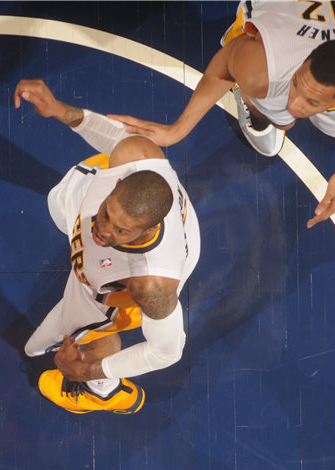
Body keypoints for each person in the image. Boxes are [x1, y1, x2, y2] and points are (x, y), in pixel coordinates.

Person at [14, 79, 201, 415]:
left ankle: (103, 390)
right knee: (63, 201)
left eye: (120, 230)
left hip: (125, 289)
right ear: (118, 181)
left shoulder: (151, 285)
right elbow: (117, 137)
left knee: (72, 334)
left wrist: (86, 370)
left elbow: (167, 352)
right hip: (137, 236)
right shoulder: (137, 157)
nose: (102, 231)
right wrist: (59, 110)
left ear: (148, 230)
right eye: (105, 215)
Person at [109, 1, 335, 229]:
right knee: (273, 102)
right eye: (296, 84)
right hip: (274, 37)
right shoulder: (268, 68)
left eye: (311, 101)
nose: (294, 102)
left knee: (304, 117)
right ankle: (247, 80)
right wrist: (176, 131)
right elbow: (227, 64)